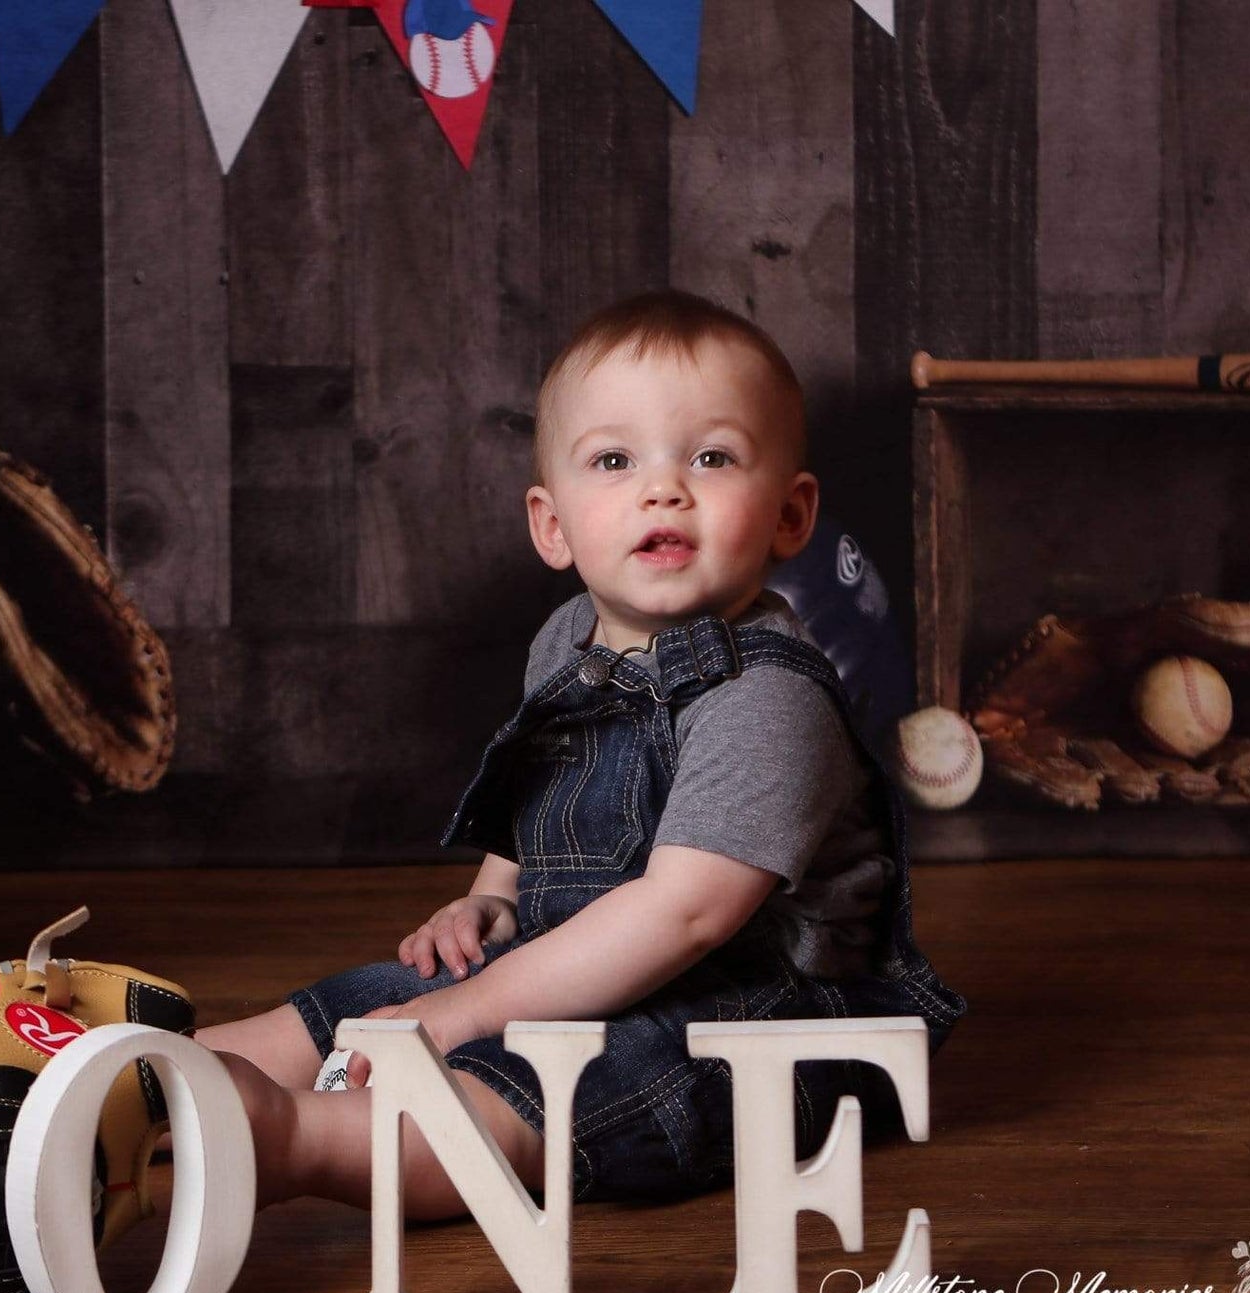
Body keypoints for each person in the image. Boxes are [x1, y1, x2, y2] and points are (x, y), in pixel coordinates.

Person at [189, 289, 966, 1219]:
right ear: (552, 525)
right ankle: (151, 1076)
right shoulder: (567, 640)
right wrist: (494, 894)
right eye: (613, 460)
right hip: (587, 954)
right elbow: (550, 786)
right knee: (385, 996)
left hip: (761, 1010)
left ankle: (294, 1143)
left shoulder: (767, 697)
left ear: (791, 516)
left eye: (712, 458)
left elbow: (688, 916)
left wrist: (474, 1012)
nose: (663, 487)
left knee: (574, 1079)